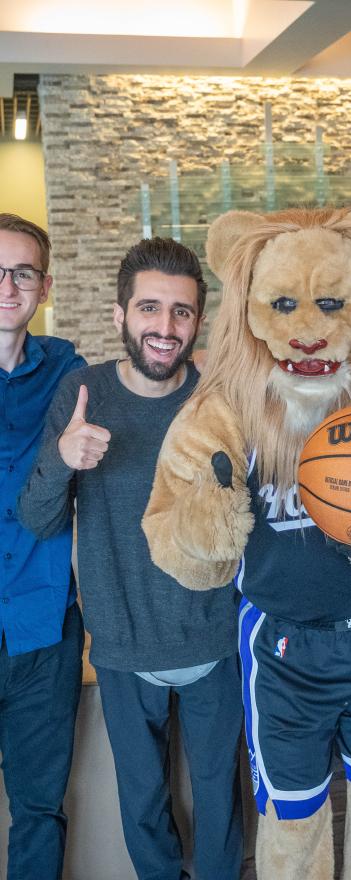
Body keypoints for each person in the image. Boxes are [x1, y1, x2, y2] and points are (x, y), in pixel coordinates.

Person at [19, 237, 243, 880]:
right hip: (121, 644)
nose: (165, 328)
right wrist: (64, 461)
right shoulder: (81, 393)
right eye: (149, 309)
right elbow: (39, 519)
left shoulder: (219, 397)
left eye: (181, 312)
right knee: (143, 804)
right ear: (120, 317)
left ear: (198, 320)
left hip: (216, 639)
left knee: (219, 800)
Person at [0, 213, 85, 880]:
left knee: (38, 808)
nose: (7, 286)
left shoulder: (67, 370)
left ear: (44, 286)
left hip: (43, 629)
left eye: (22, 273)